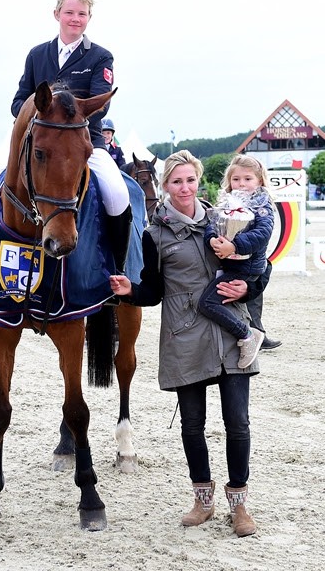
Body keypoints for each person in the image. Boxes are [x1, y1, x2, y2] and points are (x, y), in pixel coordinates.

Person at [110, 150, 270, 537]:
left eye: (191, 180)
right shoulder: (154, 234)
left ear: (199, 182)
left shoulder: (226, 219)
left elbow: (261, 264)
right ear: (165, 186)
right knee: (192, 425)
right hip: (184, 336)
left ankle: (239, 504)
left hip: (233, 332)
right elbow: (154, 290)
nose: (185, 187)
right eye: (177, 181)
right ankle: (203, 500)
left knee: (238, 423)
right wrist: (132, 290)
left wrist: (250, 286)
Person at [0, 0, 131, 276]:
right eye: (69, 12)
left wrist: (69, 113)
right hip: (34, 141)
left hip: (83, 142)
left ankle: (117, 270)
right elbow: (19, 99)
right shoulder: (37, 55)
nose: (75, 18)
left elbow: (102, 104)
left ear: (89, 18)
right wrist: (36, 110)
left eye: (82, 13)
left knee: (117, 194)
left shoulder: (100, 57)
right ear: (57, 14)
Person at [198, 155, 275, 369]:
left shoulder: (262, 205)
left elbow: (262, 233)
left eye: (248, 179)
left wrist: (234, 246)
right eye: (236, 179)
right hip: (231, 264)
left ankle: (248, 335)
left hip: (245, 268)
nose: (241, 184)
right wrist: (212, 239)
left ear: (260, 181)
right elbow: (213, 224)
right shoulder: (227, 202)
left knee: (208, 302)